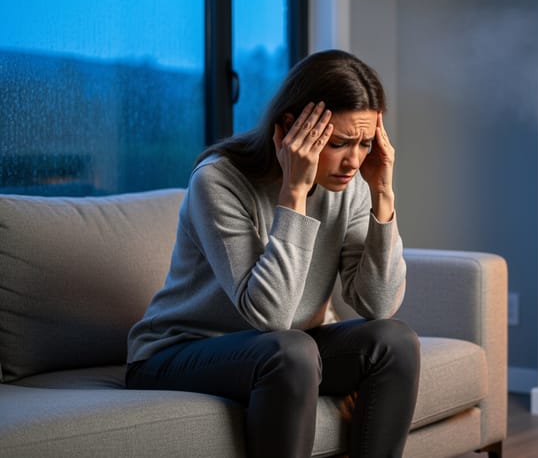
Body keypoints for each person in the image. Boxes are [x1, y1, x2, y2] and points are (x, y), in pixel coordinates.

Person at [126, 49, 420, 458]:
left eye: (366, 143)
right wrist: (294, 195)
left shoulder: (351, 185)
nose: (355, 160)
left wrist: (382, 194)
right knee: (292, 349)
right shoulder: (218, 181)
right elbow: (271, 316)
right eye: (339, 143)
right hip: (178, 353)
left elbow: (379, 303)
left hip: (280, 355)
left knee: (395, 341)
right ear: (290, 129)